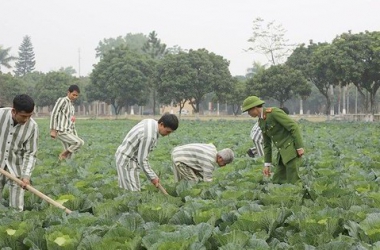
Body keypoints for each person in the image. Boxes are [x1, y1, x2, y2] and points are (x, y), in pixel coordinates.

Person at [242, 96, 304, 184]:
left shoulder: (274, 112)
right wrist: (267, 165)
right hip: (282, 152)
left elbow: (294, 127)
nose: (248, 113)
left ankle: (300, 195)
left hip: (291, 150)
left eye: (248, 110)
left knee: (293, 179)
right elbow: (267, 144)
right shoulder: (261, 122)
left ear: (255, 108)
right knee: (277, 180)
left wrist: (299, 147)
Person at [115, 113, 179, 191]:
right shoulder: (149, 136)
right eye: (168, 131)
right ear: (161, 124)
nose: (168, 134)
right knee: (133, 192)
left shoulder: (151, 122)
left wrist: (153, 176)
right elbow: (142, 160)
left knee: (129, 190)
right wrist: (153, 177)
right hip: (127, 160)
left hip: (128, 157)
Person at [0, 94, 38, 211]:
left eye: (29, 116)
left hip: (16, 167)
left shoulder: (32, 126)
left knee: (17, 208)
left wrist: (26, 175)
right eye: (23, 116)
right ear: (13, 111)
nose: (26, 119)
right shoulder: (0, 115)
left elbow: (30, 153)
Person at [50, 85, 84, 160]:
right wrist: (53, 129)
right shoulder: (62, 100)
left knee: (70, 156)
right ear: (68, 92)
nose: (75, 97)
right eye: (73, 94)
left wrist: (75, 134)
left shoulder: (71, 106)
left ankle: (62, 163)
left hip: (69, 131)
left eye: (76, 95)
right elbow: (54, 113)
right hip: (62, 131)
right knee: (79, 142)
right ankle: (63, 154)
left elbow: (71, 121)